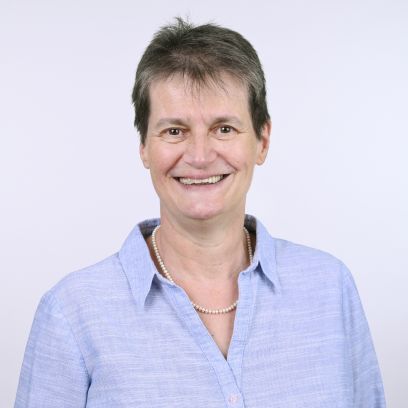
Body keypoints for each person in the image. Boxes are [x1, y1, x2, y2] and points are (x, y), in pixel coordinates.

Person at [15, 18, 386, 407]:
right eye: (174, 131)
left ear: (262, 140)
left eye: (224, 129)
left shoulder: (330, 289)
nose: (200, 156)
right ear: (144, 147)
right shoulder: (71, 314)